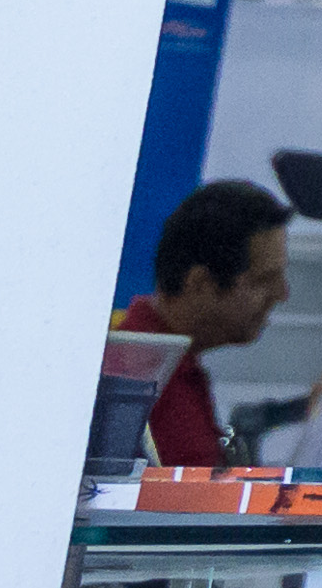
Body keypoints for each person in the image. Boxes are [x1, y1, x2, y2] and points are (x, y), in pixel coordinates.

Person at [120, 178, 292, 468]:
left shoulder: (167, 369)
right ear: (200, 284)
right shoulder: (138, 379)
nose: (281, 294)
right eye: (263, 280)